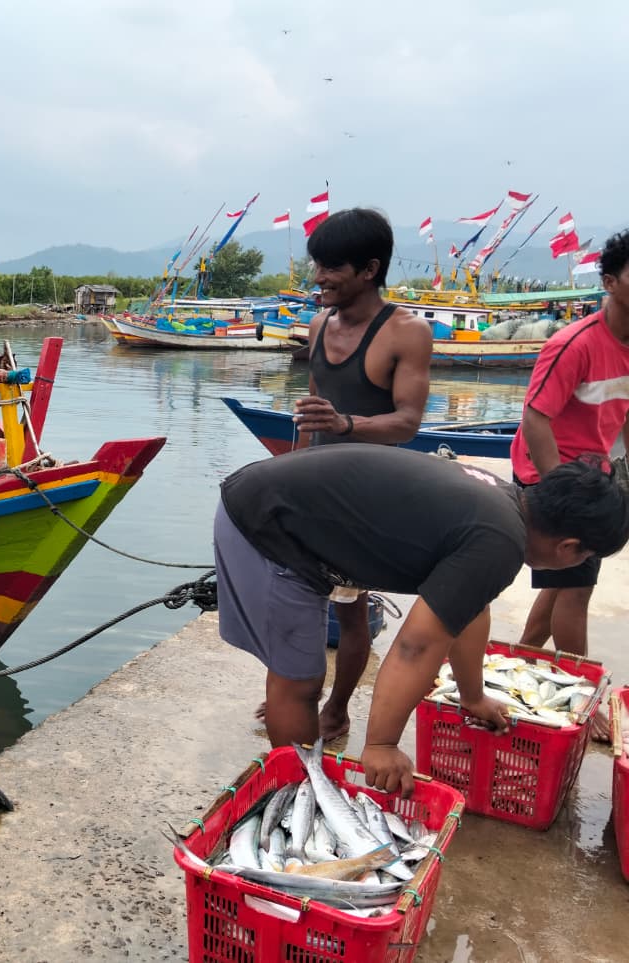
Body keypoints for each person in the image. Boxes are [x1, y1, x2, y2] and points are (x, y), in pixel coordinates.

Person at [215, 444, 629, 796]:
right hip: (266, 525)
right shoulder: (500, 540)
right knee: (300, 680)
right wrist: (381, 744)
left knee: (303, 673)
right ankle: (299, 795)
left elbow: (468, 612)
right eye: (586, 557)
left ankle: (305, 788)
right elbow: (416, 645)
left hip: (291, 512)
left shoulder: (504, 506)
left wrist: (473, 696)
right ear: (569, 546)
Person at [257, 209, 433, 743]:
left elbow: (407, 422)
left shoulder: (407, 332)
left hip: (365, 493)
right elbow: (312, 415)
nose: (319, 279)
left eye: (332, 268)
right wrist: (292, 471)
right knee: (295, 599)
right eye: (317, 266)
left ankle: (336, 707)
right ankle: (292, 693)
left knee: (352, 611)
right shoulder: (318, 324)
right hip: (314, 485)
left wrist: (346, 423)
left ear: (369, 269)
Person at [510, 231, 629, 740]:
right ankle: (582, 697)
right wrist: (563, 491)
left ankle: (522, 659)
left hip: (595, 475)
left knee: (561, 582)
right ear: (609, 282)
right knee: (577, 587)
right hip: (551, 476)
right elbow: (535, 418)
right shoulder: (574, 344)